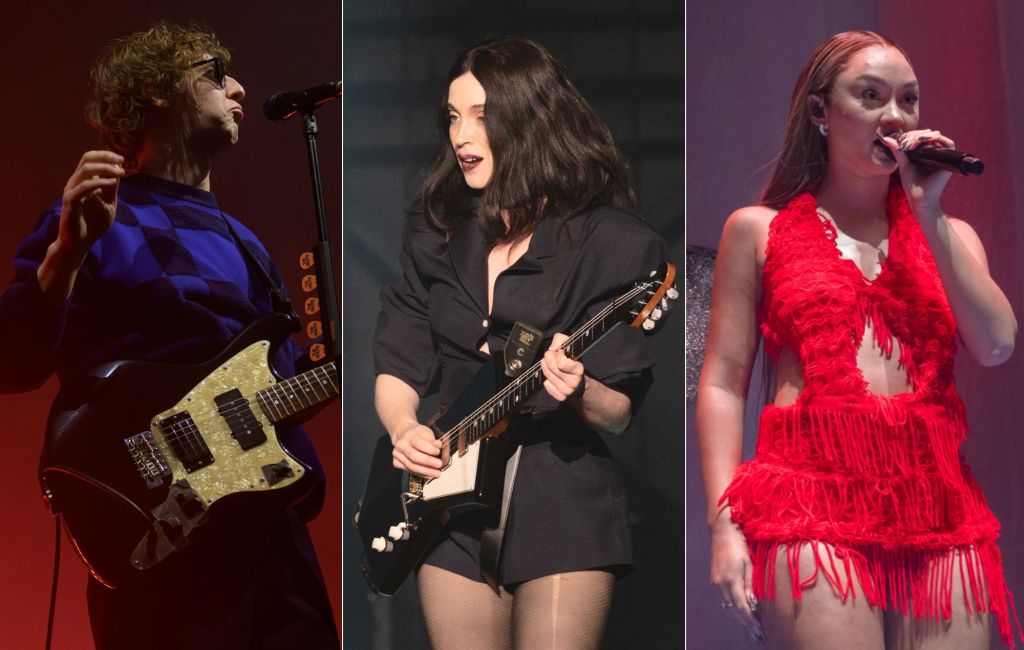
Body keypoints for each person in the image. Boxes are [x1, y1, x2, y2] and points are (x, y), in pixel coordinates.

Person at [0, 22, 339, 649]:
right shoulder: (104, 213)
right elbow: (13, 363)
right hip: (155, 536)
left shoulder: (251, 247)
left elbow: (280, 391)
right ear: (158, 90)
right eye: (215, 72)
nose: (238, 87)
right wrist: (66, 254)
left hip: (269, 548)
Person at [696, 30, 1020, 650]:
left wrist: (927, 212)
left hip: (938, 503)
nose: (893, 116)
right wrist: (723, 525)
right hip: (809, 498)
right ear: (821, 111)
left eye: (908, 100)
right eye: (869, 96)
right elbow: (720, 381)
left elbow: (997, 343)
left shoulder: (952, 236)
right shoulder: (757, 231)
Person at [372, 37, 668, 648]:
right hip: (447, 504)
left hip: (561, 500)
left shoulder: (613, 245)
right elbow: (399, 356)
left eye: (481, 116)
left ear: (529, 120)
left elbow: (618, 414)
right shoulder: (434, 234)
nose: (461, 134)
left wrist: (578, 387)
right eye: (453, 117)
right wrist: (404, 429)